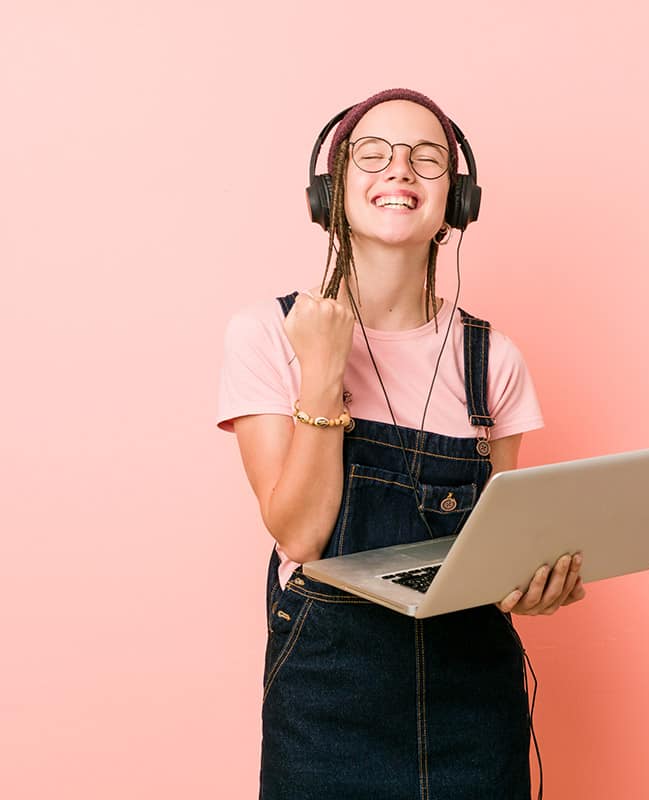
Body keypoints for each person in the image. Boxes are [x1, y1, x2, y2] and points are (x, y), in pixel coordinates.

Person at [216, 88, 586, 800]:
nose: (401, 171)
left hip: (473, 703)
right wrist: (322, 374)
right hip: (328, 701)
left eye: (428, 159)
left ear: (458, 200)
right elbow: (299, 531)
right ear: (330, 193)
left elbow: (494, 550)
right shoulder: (267, 335)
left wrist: (532, 588)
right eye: (373, 155)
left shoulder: (493, 359)